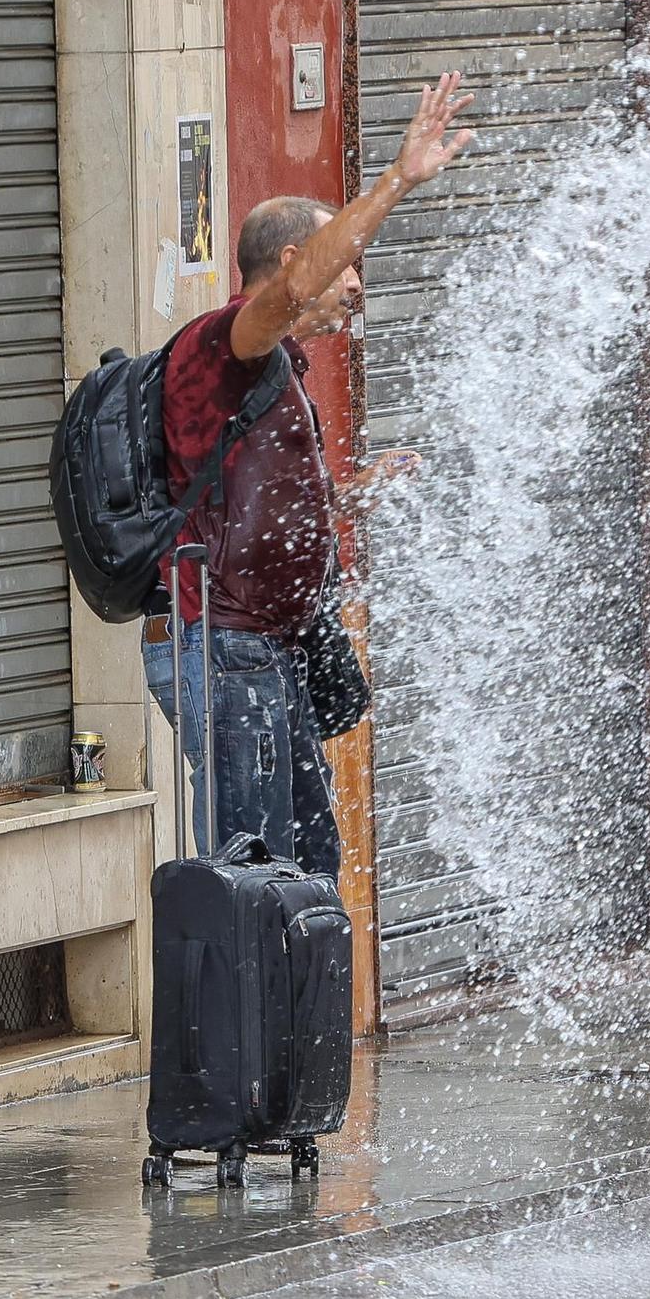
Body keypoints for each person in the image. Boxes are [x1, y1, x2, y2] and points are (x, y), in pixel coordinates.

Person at [143, 73, 474, 873]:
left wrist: (351, 493)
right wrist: (397, 179)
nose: (355, 282)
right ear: (297, 261)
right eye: (345, 261)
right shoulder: (224, 344)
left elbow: (249, 503)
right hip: (221, 649)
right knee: (254, 879)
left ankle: (295, 1004)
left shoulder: (278, 369)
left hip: (270, 652)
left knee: (309, 872)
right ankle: (241, 1003)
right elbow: (294, 290)